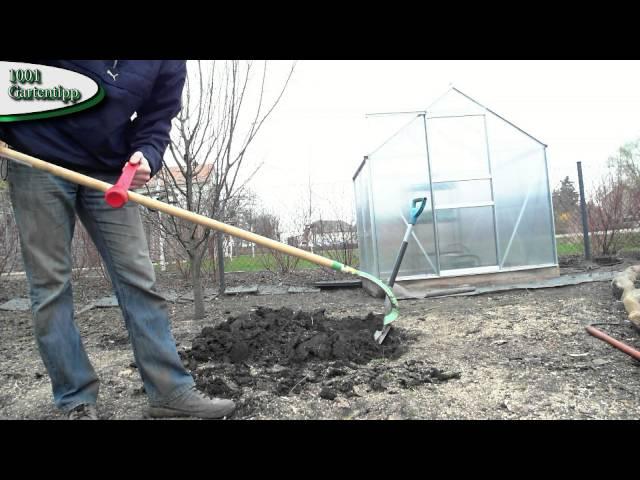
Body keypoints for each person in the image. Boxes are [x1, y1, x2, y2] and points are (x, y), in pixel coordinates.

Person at [0, 60, 235, 420]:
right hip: (35, 156)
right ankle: (75, 398)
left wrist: (149, 155)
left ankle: (170, 390)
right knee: (49, 287)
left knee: (139, 278)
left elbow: (158, 116)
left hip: (109, 168)